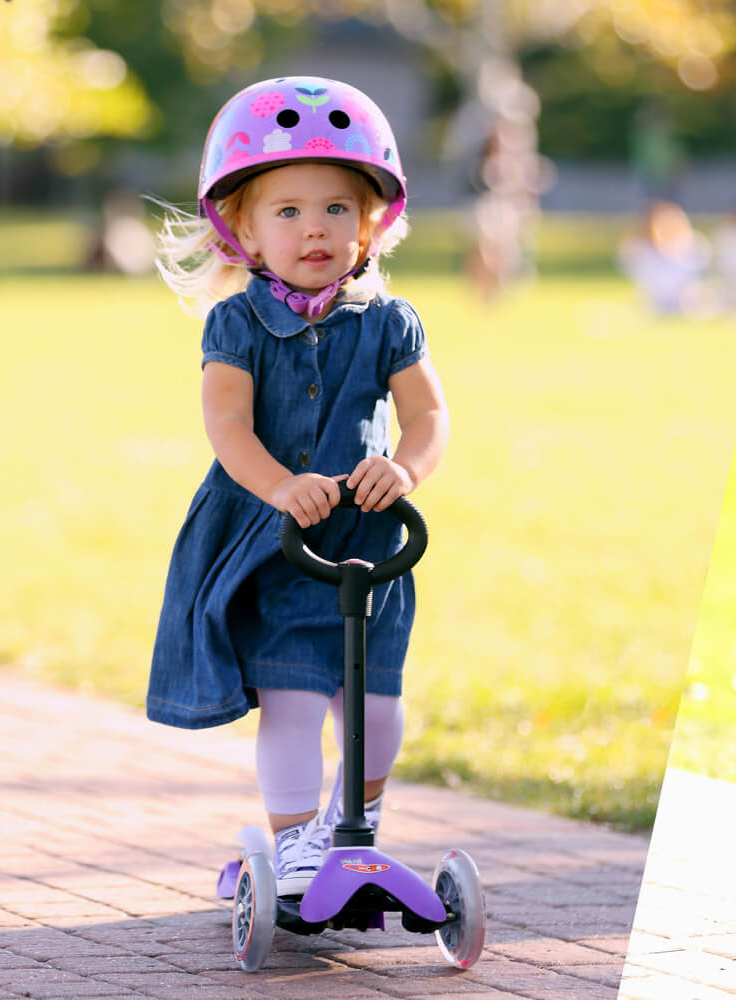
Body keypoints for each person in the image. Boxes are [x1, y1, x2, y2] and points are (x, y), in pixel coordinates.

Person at [147, 77, 451, 898]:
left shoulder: (390, 321)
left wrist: (404, 466)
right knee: (293, 700)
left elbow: (427, 415)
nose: (314, 227)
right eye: (286, 211)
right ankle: (295, 848)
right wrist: (282, 488)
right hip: (278, 538)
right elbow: (228, 428)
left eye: (336, 210)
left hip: (369, 541)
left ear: (372, 223)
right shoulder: (237, 323)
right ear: (240, 226)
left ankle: (350, 825)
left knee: (376, 706)